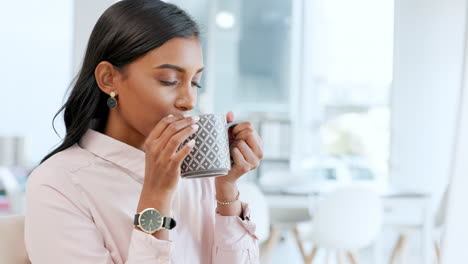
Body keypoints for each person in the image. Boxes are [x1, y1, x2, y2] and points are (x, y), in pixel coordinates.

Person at [24, 0, 264, 263]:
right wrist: (156, 195)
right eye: (169, 81)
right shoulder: (58, 183)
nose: (189, 101)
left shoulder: (198, 175)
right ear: (108, 79)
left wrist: (226, 188)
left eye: (195, 82)